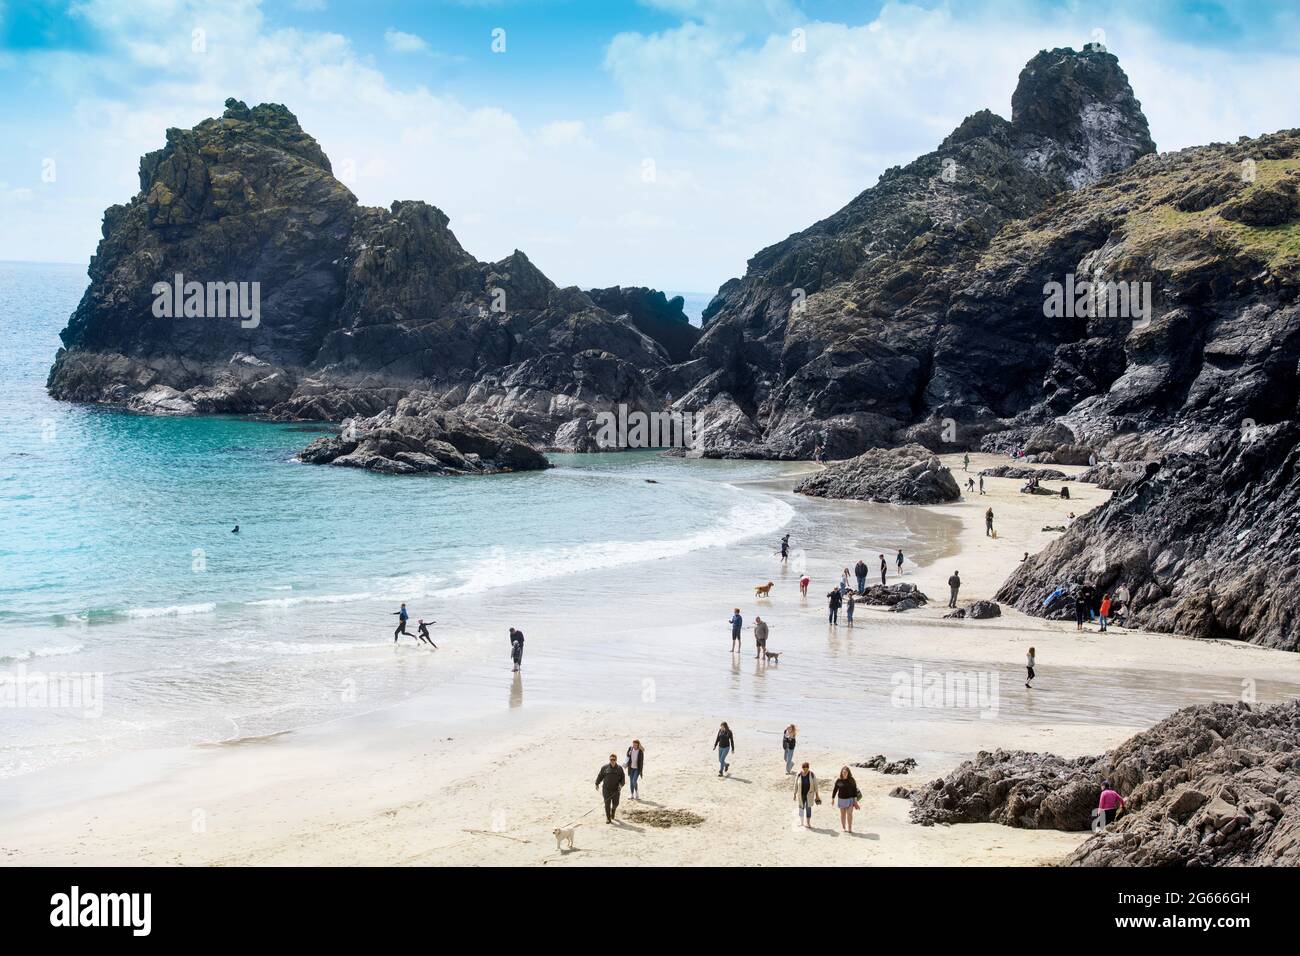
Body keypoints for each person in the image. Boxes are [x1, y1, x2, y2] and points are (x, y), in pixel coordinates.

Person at [595, 754, 626, 823]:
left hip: (616, 790)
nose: (612, 761)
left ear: (616, 760)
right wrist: (597, 783)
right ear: (609, 760)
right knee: (607, 804)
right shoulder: (604, 767)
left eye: (614, 759)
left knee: (616, 803)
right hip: (606, 789)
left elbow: (623, 778)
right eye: (611, 759)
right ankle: (608, 818)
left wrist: (621, 785)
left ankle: (613, 810)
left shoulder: (619, 768)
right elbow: (600, 776)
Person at [831, 766, 862, 833]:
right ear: (841, 773)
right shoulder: (839, 780)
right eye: (843, 772)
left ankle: (850, 827)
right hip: (841, 799)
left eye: (846, 772)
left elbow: (854, 791)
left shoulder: (851, 780)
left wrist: (855, 801)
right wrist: (833, 798)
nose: (844, 773)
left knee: (849, 814)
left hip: (850, 799)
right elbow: (835, 790)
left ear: (848, 773)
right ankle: (843, 827)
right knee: (843, 814)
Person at [793, 762, 820, 828]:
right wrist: (794, 794)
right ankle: (802, 822)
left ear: (808, 768)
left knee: (808, 808)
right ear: (802, 768)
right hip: (801, 795)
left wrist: (817, 795)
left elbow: (816, 785)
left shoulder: (812, 774)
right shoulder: (799, 774)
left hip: (809, 795)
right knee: (801, 808)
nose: (805, 770)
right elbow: (795, 784)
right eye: (804, 769)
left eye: (806, 769)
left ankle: (808, 823)